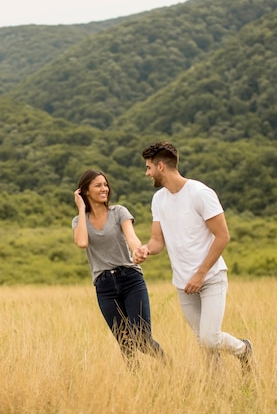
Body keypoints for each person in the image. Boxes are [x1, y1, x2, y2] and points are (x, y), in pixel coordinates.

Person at [132, 141, 253, 372]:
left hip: (210, 278)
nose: (146, 173)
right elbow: (158, 241)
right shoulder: (158, 199)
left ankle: (244, 350)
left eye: (148, 167)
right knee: (204, 344)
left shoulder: (200, 193)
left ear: (160, 166)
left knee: (209, 338)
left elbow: (222, 236)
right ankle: (218, 392)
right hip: (182, 283)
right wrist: (146, 249)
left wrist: (200, 274)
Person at [72, 169, 167, 369]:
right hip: (104, 285)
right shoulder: (78, 221)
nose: (104, 188)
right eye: (98, 185)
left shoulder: (118, 212)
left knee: (141, 337)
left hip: (130, 279)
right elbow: (81, 242)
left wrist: (138, 250)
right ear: (85, 191)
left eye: (105, 184)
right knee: (125, 343)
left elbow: (131, 236)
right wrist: (81, 209)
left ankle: (168, 367)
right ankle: (137, 384)